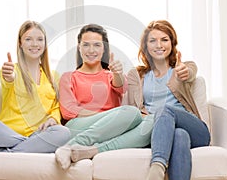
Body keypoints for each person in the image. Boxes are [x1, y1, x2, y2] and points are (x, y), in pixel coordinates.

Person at [55, 23, 153, 170]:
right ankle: (69, 146)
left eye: (97, 45)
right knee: (131, 112)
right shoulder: (69, 77)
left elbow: (121, 87)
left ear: (104, 48)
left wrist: (118, 73)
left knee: (152, 121)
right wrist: (109, 118)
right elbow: (69, 112)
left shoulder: (111, 76)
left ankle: (92, 150)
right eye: (86, 45)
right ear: (79, 47)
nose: (91, 50)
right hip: (79, 126)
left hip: (112, 129)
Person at [126, 20, 211, 180]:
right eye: (153, 41)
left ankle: (156, 168)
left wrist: (185, 72)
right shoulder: (137, 76)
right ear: (145, 46)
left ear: (172, 43)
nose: (159, 45)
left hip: (196, 130)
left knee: (166, 109)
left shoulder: (182, 68)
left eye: (164, 39)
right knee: (179, 135)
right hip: (159, 131)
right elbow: (134, 112)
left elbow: (191, 71)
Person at [0, 20, 70, 153]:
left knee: (63, 132)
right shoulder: (12, 70)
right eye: (28, 39)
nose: (35, 44)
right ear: (20, 43)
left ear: (45, 44)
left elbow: (57, 106)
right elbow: (9, 79)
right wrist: (9, 76)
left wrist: (53, 118)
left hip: (38, 134)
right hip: (7, 133)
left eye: (40, 39)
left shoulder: (54, 76)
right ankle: (27, 147)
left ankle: (6, 152)